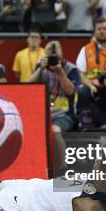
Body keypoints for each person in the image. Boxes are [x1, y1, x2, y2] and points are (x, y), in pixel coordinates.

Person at [29, 40, 79, 172]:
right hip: (43, 113)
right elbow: (28, 86)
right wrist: (40, 68)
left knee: (55, 130)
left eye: (55, 53)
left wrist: (60, 72)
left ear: (62, 53)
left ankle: (63, 168)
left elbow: (70, 91)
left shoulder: (71, 68)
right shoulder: (41, 66)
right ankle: (35, 167)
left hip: (64, 114)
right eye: (49, 53)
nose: (52, 57)